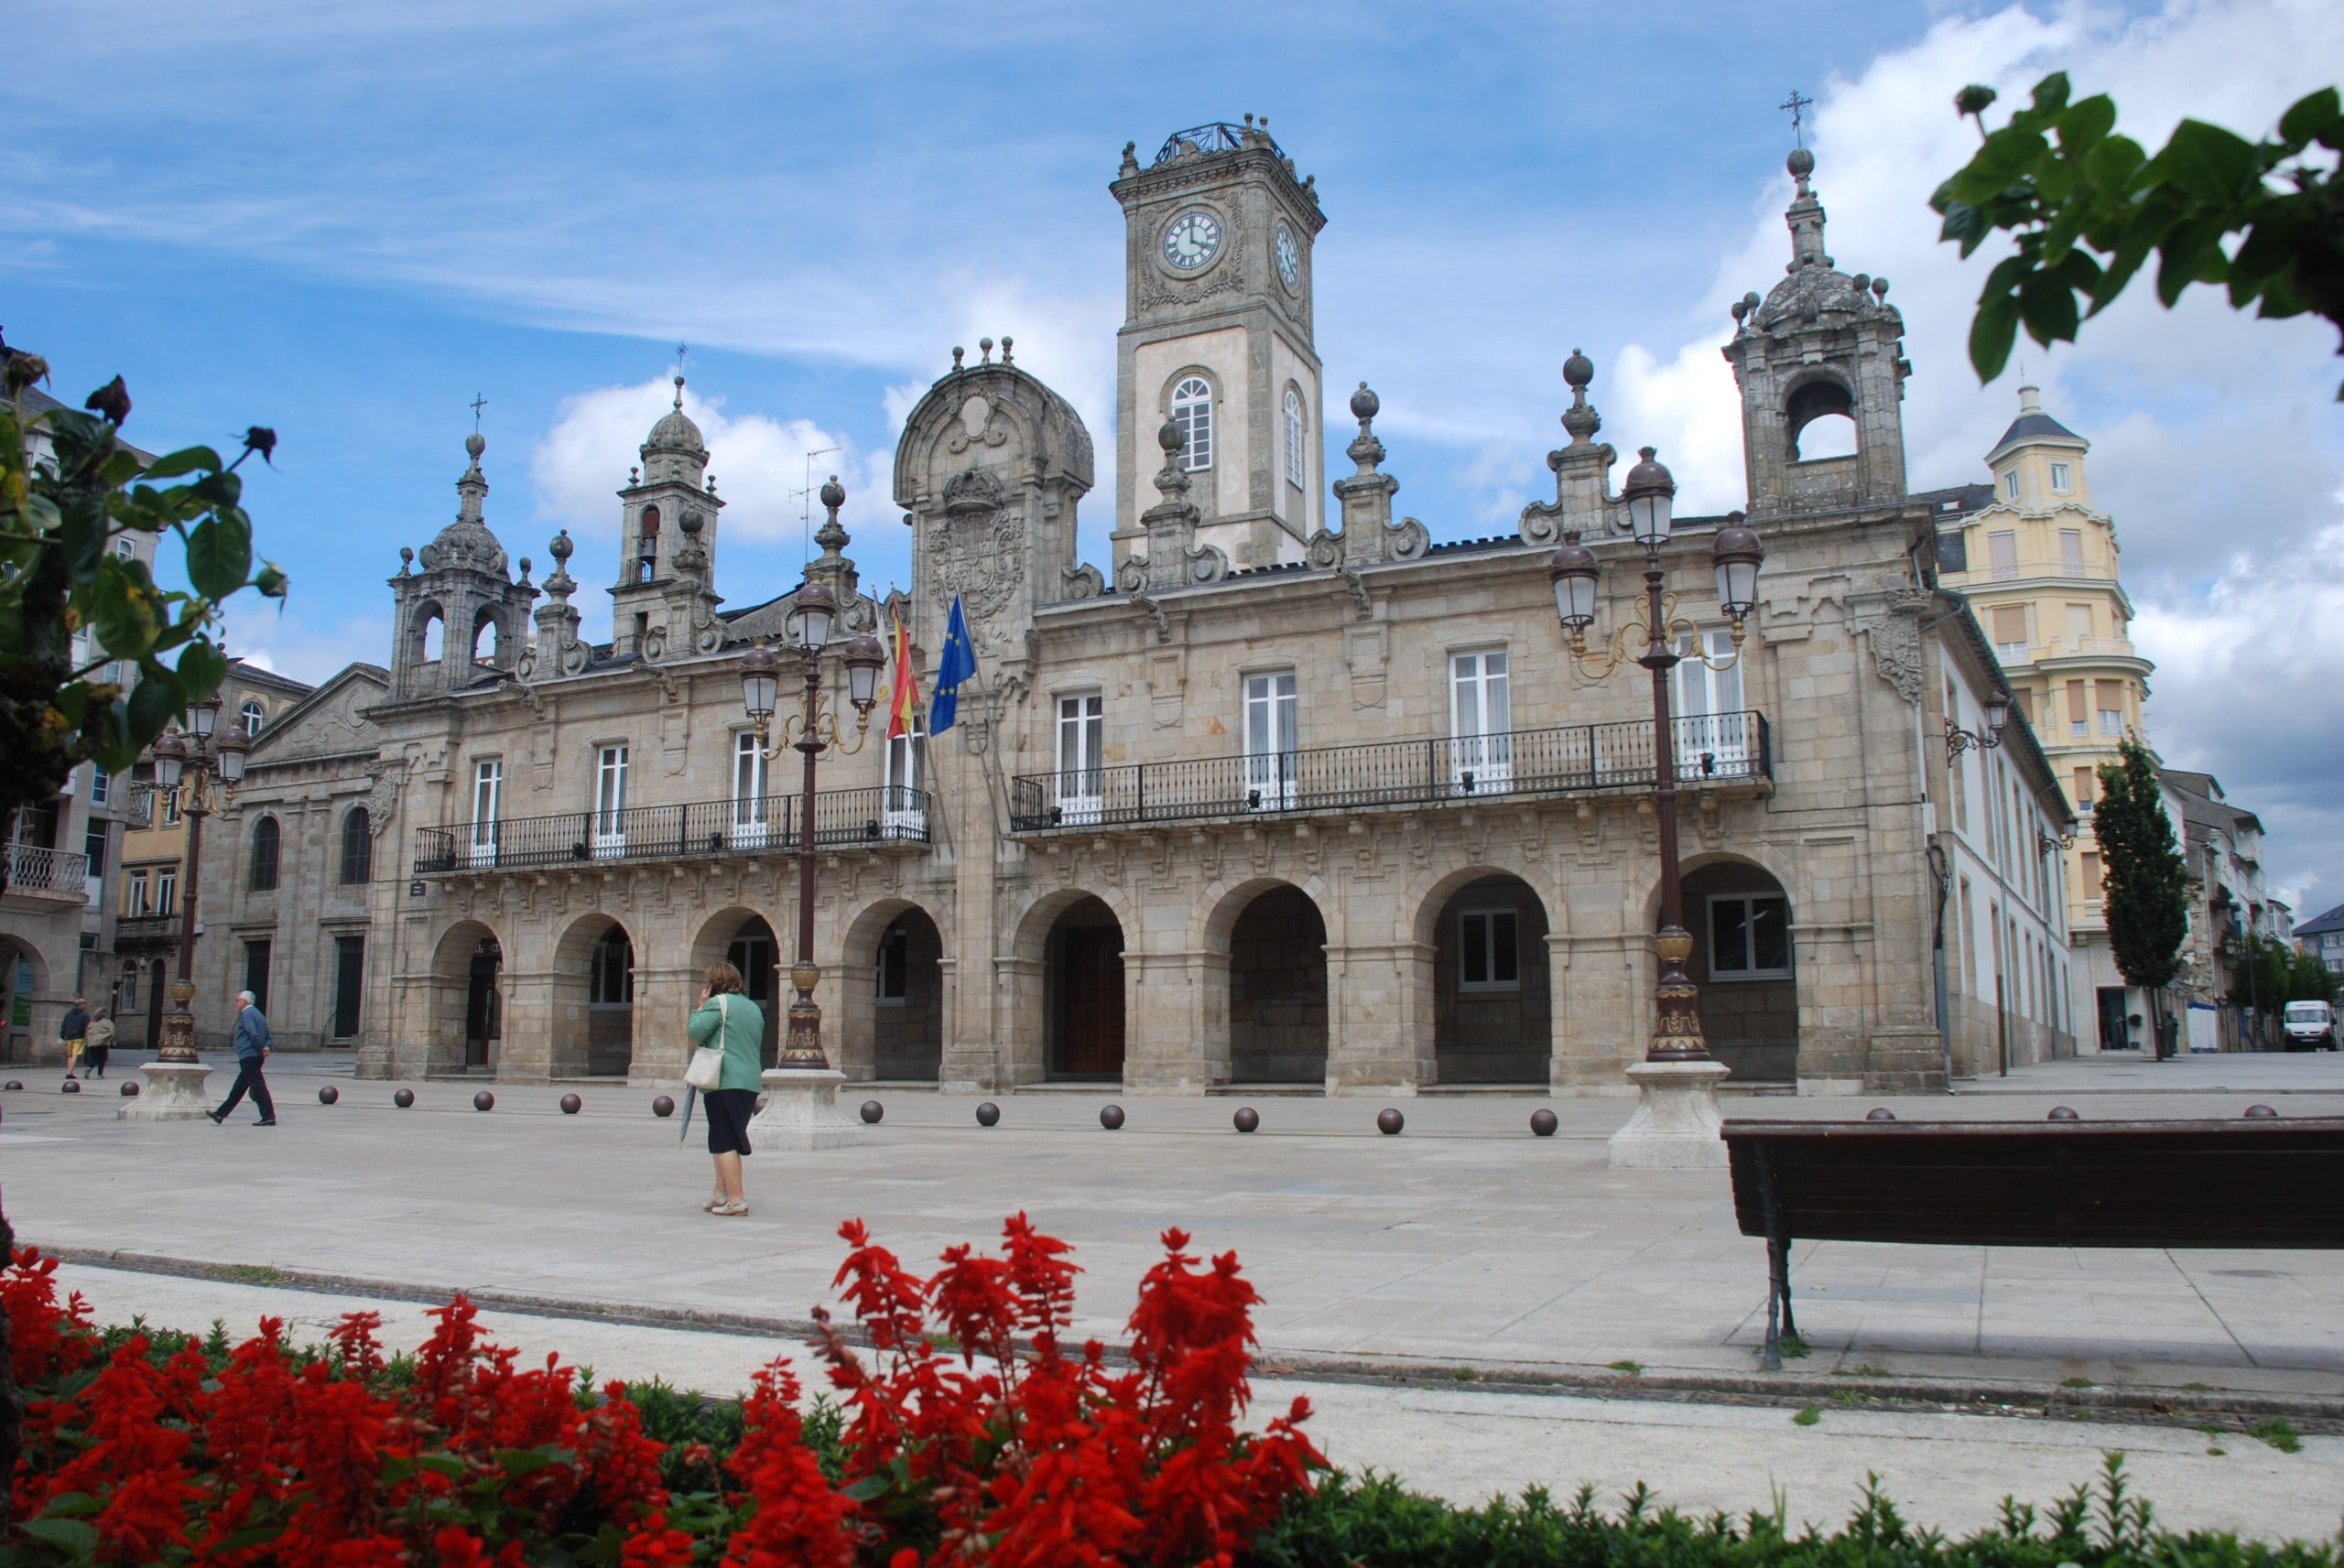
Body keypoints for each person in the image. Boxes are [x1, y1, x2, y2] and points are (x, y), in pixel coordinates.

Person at [686, 961, 765, 1217]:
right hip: (748, 1081)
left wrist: (699, 1007)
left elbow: (694, 1033)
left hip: (724, 1080)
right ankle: (720, 1193)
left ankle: (736, 1199)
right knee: (722, 1136)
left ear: (715, 984)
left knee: (724, 1141)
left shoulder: (715, 1005)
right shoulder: (752, 1007)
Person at [209, 989, 277, 1126]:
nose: (236, 1003)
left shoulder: (246, 1014)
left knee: (258, 1087)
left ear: (245, 1002)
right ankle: (220, 1114)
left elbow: (252, 1033)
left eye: (237, 1000)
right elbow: (269, 1035)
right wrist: (266, 1046)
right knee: (239, 1087)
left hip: (249, 1055)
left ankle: (269, 1116)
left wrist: (260, 1048)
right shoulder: (259, 1014)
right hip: (255, 1055)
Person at [60, 996, 88, 1081]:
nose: (85, 1005)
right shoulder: (85, 1015)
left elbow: (64, 1025)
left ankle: (70, 1072)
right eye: (84, 1004)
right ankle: (69, 1072)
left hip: (69, 1037)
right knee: (75, 1054)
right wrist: (87, 1037)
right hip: (79, 1037)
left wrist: (62, 1035)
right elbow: (87, 1027)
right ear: (80, 1005)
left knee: (70, 1055)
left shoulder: (68, 1014)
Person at [82, 1006, 116, 1079]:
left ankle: (89, 1067)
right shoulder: (107, 1022)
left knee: (94, 1058)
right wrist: (113, 1041)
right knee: (102, 1058)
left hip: (92, 1043)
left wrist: (87, 1041)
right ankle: (99, 1074)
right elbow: (112, 1032)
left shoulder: (91, 1023)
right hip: (103, 1043)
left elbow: (87, 1033)